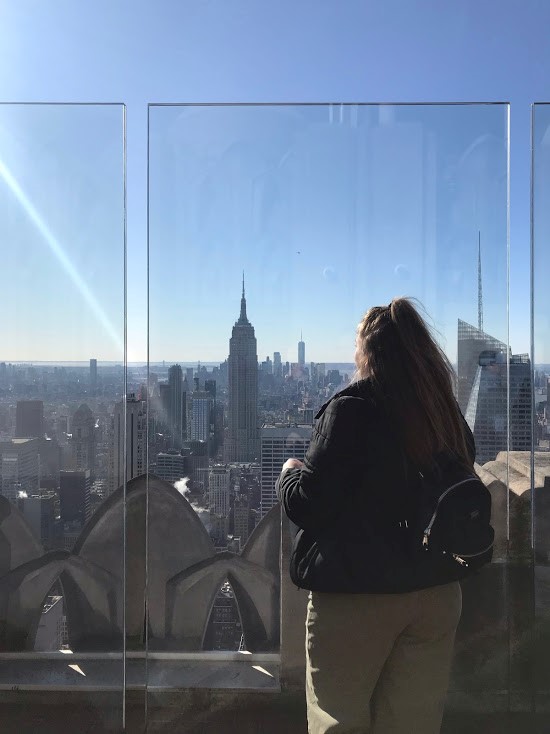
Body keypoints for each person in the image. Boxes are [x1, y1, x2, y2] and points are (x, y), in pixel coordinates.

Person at [276, 298, 476, 734]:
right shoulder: (442, 410)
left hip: (357, 594)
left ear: (367, 352)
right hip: (436, 594)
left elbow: (309, 503)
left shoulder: (350, 409)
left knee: (339, 720)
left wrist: (288, 476)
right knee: (414, 724)